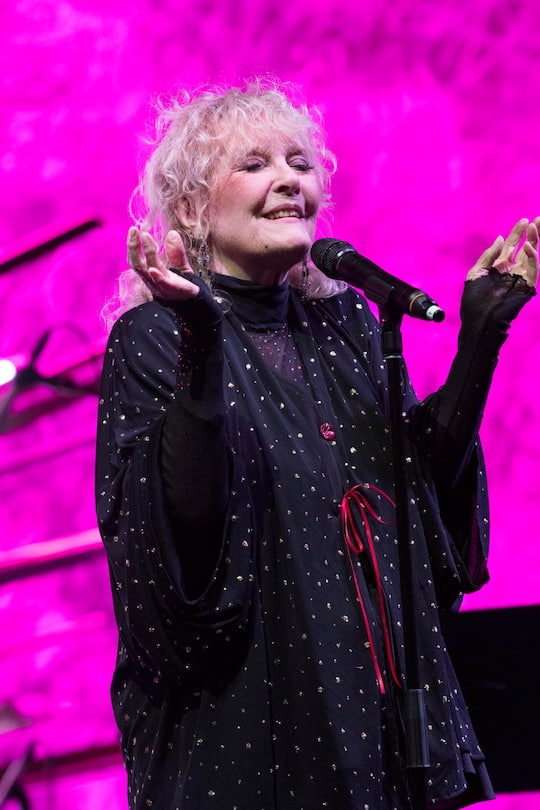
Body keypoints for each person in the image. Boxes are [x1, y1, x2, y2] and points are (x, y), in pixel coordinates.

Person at [95, 78, 538, 810]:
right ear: (193, 210)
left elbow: (421, 504)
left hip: (375, 712)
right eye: (254, 164)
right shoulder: (154, 338)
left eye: (299, 163)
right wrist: (202, 337)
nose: (288, 180)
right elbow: (182, 533)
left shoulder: (349, 326)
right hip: (247, 719)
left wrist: (481, 339)